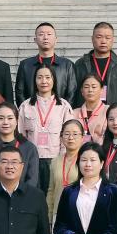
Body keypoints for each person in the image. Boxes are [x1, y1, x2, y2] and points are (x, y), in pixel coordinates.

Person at [17, 61, 75, 190]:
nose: (44, 81)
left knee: (54, 195)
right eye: (40, 77)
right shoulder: (26, 106)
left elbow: (68, 136)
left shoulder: (64, 106)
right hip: (32, 161)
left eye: (48, 77)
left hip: (56, 160)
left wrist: (63, 160)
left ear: (54, 80)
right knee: (33, 195)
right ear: (34, 81)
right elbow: (20, 135)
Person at [0, 102, 40, 192]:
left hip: (22, 198)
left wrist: (21, 196)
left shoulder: (29, 148)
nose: (5, 122)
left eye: (10, 118)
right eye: (1, 118)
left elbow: (32, 179)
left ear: (17, 121)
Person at [15, 22, 77, 104]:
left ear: (56, 39)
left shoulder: (67, 65)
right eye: (41, 34)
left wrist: (62, 110)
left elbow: (72, 93)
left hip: (61, 110)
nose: (45, 37)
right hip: (32, 111)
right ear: (35, 40)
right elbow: (20, 93)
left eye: (49, 34)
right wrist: (29, 110)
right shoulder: (25, 65)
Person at [72, 21, 117, 106]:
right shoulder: (80, 64)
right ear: (92, 39)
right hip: (87, 110)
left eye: (107, 38)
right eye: (99, 37)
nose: (103, 41)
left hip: (113, 111)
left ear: (113, 40)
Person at [73, 73, 109, 143]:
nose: (90, 90)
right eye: (86, 87)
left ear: (102, 90)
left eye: (94, 87)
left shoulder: (108, 111)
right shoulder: (74, 113)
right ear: (82, 91)